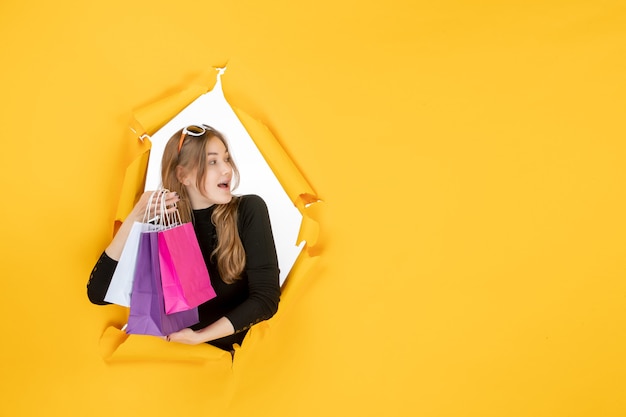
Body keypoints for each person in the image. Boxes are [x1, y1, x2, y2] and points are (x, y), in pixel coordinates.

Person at [87, 124, 281, 352]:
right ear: (183, 175)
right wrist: (133, 219)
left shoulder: (249, 210)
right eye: (212, 162)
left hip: (237, 361)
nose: (226, 169)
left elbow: (266, 299)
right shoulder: (161, 228)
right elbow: (98, 294)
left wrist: (200, 337)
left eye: (226, 159)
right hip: (179, 364)